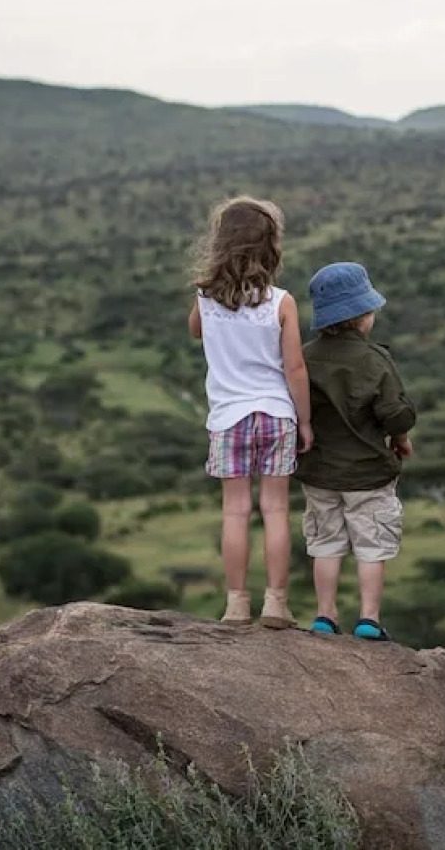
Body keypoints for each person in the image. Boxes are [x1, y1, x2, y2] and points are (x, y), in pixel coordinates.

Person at [188, 196, 313, 629]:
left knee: (235, 511)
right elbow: (295, 368)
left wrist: (212, 298)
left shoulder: (205, 298)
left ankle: (236, 604)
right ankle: (276, 602)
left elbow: (195, 331)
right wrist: (306, 421)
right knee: (276, 510)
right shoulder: (282, 302)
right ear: (271, 248)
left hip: (228, 418)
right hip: (277, 414)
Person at [295, 262, 416, 640]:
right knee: (371, 545)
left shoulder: (304, 357)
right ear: (364, 316)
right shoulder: (374, 360)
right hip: (367, 474)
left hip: (318, 472)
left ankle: (324, 616)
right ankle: (369, 619)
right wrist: (401, 438)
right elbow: (395, 415)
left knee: (325, 544)